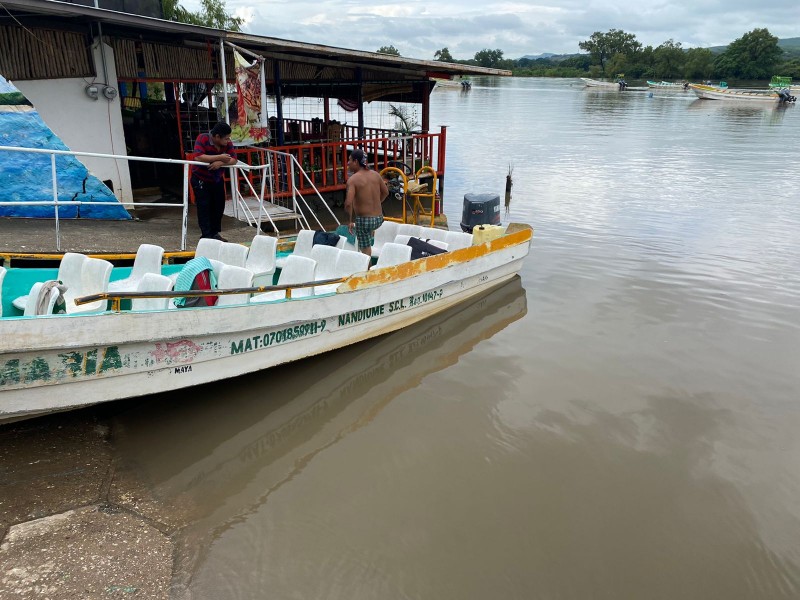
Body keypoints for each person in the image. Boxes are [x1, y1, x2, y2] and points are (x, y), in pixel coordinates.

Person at [191, 122, 237, 241]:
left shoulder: (227, 142)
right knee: (204, 206)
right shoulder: (203, 138)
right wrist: (220, 157)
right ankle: (206, 235)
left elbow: (234, 159)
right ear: (217, 137)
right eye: (226, 138)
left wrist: (221, 162)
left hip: (216, 179)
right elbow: (198, 156)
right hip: (200, 178)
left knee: (218, 205)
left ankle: (215, 233)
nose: (228, 140)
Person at [344, 148, 389, 256]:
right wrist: (377, 203)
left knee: (365, 249)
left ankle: (367, 270)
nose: (348, 163)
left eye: (349, 160)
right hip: (379, 219)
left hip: (364, 221)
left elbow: (348, 203)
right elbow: (386, 192)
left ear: (356, 162)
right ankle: (370, 232)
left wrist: (349, 221)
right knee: (368, 228)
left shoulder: (353, 180)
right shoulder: (375, 174)